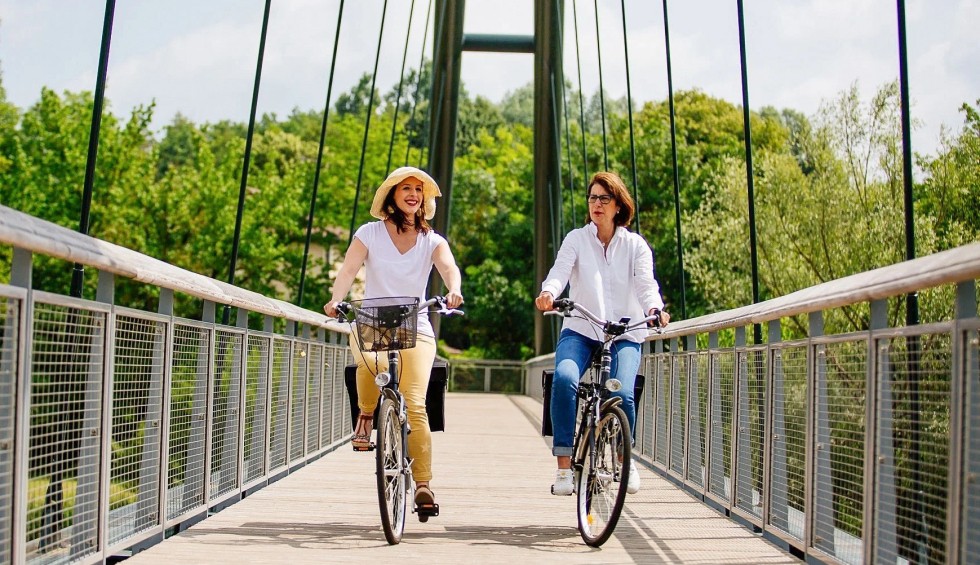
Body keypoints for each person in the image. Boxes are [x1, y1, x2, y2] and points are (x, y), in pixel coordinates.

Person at [324, 166, 463, 514]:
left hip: (416, 324)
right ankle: (367, 414)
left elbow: (448, 267)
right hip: (373, 320)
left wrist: (454, 290)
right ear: (392, 195)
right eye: (406, 189)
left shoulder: (432, 240)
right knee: (373, 365)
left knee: (415, 404)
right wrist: (335, 299)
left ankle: (423, 485)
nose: (413, 194)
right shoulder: (370, 233)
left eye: (419, 190)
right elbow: (348, 269)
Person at [535, 171, 670, 496]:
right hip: (582, 329)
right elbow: (560, 271)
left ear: (618, 205)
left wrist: (655, 309)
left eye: (603, 198)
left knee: (621, 393)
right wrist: (549, 293)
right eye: (592, 198)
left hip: (624, 333)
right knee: (565, 379)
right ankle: (564, 467)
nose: (596, 204)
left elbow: (644, 283)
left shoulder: (635, 245)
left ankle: (626, 460)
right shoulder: (577, 239)